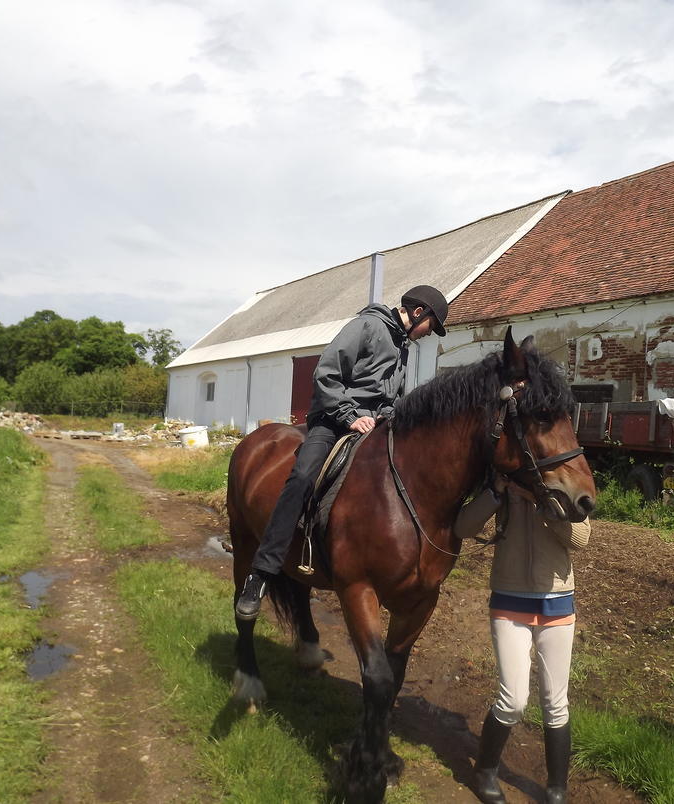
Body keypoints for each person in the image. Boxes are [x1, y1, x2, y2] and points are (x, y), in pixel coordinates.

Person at [235, 284, 449, 621]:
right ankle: (261, 572)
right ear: (418, 312)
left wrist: (391, 414)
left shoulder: (402, 345)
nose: (428, 333)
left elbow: (389, 397)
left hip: (374, 426)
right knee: (302, 477)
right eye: (431, 326)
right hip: (333, 420)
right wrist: (350, 416)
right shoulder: (366, 326)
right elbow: (326, 373)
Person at [455, 477, 591, 804]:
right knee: (513, 700)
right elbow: (463, 527)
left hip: (557, 601)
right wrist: (495, 492)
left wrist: (545, 503)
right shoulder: (502, 479)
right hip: (509, 600)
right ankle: (484, 771)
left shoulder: (563, 480)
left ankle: (557, 786)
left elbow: (582, 538)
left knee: (555, 702)